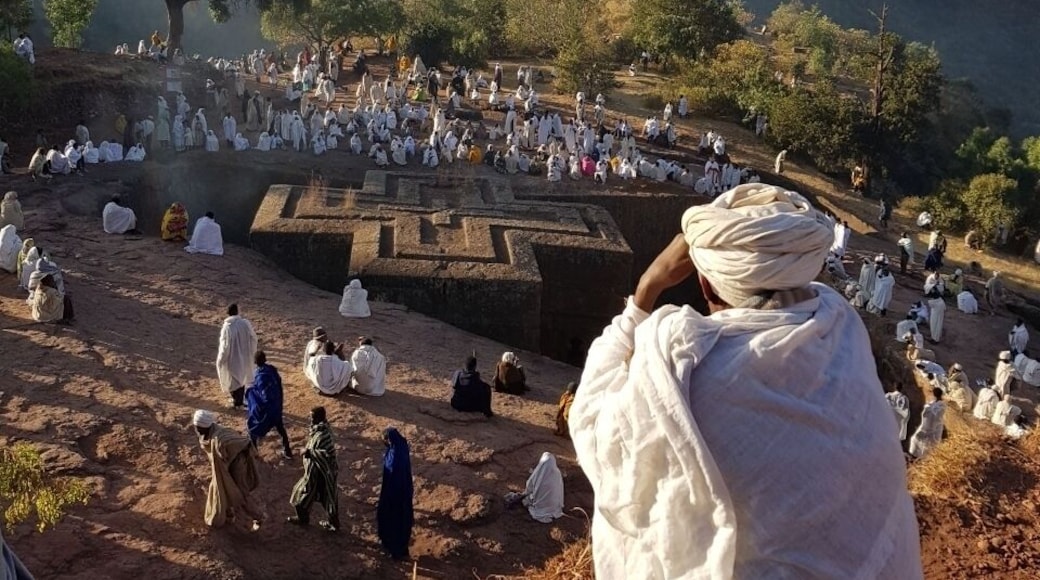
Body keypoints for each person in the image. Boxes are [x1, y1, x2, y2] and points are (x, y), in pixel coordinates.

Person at [571, 183, 921, 579]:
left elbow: (594, 428)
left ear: (704, 284)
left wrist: (646, 292)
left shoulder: (684, 370)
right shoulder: (841, 323)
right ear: (804, 267)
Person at [192, 409, 261, 528]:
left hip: (237, 466)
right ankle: (229, 515)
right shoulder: (207, 436)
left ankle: (259, 517)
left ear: (205, 426)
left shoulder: (221, 438)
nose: (196, 429)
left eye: (198, 427)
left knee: (241, 494)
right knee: (222, 488)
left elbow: (244, 443)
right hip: (223, 467)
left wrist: (237, 459)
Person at [288, 406, 340, 532]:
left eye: (312, 418)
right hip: (314, 473)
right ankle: (303, 518)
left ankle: (333, 524)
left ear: (319, 418)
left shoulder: (323, 434)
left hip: (323, 474)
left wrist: (309, 452)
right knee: (302, 494)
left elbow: (328, 455)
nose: (310, 420)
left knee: (327, 499)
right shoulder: (318, 430)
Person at [245, 351, 292, 459]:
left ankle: (255, 452)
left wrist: (252, 393)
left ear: (255, 362)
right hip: (277, 406)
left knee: (253, 429)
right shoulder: (271, 369)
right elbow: (278, 384)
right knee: (280, 427)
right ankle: (287, 450)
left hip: (268, 410)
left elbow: (264, 396)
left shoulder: (260, 376)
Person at [378, 428, 413, 561]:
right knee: (403, 520)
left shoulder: (395, 455)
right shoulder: (401, 447)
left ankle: (394, 550)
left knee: (392, 521)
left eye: (385, 439)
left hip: (393, 495)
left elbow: (392, 471)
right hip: (404, 492)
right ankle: (402, 548)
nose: (384, 442)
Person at [216, 304, 257, 409]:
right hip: (245, 355)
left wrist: (221, 359)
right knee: (241, 377)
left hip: (232, 357)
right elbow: (253, 337)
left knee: (233, 379)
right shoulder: (245, 323)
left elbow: (225, 346)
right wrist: (251, 351)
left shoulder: (227, 327)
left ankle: (237, 402)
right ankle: (239, 401)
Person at [522, 452, 564, 523]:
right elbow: (560, 490)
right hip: (555, 507)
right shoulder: (557, 474)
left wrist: (525, 495)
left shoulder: (538, 474)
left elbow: (529, 487)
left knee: (526, 500)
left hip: (540, 507)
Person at [908, 388, 945, 460]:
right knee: (915, 439)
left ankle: (923, 460)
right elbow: (926, 413)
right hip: (925, 427)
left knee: (929, 447)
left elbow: (936, 416)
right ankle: (914, 457)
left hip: (934, 430)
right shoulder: (932, 403)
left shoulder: (942, 405)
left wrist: (929, 410)